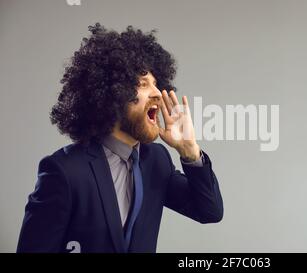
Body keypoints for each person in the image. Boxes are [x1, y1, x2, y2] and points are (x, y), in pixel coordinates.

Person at [17, 23, 224, 253]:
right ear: (112, 93)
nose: (157, 93)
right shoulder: (64, 171)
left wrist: (190, 152)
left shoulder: (157, 160)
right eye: (142, 84)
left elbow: (209, 212)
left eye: (156, 84)